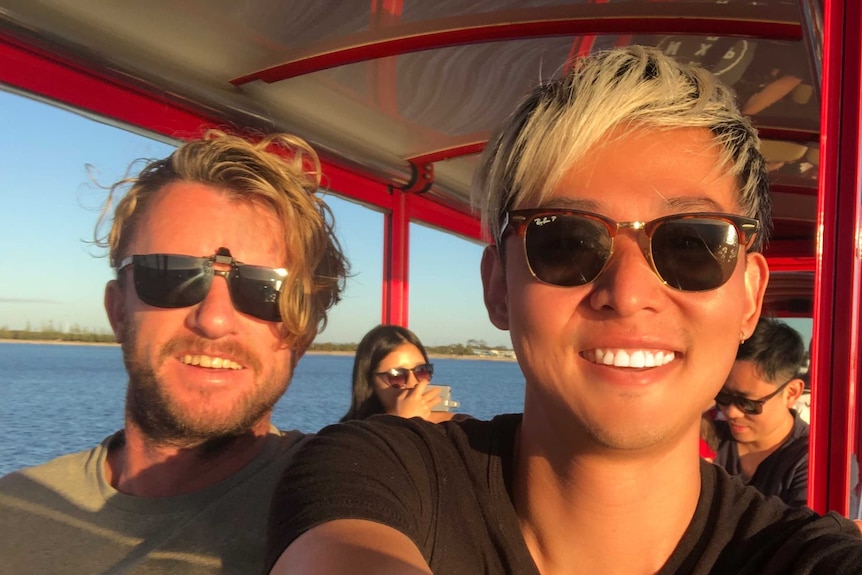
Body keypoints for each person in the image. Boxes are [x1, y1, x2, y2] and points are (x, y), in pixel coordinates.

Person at [265, 46, 862, 574]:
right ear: (498, 286)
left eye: (692, 245)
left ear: (750, 298)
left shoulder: (806, 557)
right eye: (567, 241)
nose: (628, 292)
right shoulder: (384, 475)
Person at [0, 130, 348, 574]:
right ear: (118, 310)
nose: (214, 319)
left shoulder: (351, 503)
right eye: (171, 275)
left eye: (267, 290)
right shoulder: (16, 512)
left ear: (302, 335)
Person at [713, 316, 809, 506]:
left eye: (748, 403)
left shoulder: (811, 461)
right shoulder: (707, 435)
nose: (731, 412)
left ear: (791, 393)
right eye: (723, 396)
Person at [340, 324, 458, 423]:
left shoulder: (454, 428)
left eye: (422, 371)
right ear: (370, 380)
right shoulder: (346, 437)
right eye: (397, 375)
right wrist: (405, 421)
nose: (413, 383)